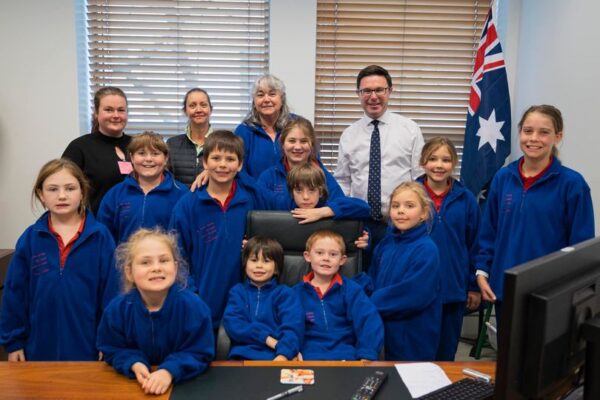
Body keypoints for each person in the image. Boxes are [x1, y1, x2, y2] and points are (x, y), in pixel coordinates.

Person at [476, 105, 594, 327]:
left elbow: (581, 247)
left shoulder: (572, 184)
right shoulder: (503, 178)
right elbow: (488, 233)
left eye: (544, 132)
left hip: (550, 294)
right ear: (520, 133)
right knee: (509, 358)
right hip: (506, 289)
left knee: (544, 360)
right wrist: (482, 272)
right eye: (528, 131)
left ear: (558, 137)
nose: (534, 138)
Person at [0, 159, 118, 361]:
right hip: (37, 348)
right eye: (52, 189)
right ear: (41, 195)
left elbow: (112, 295)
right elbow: (14, 294)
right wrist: (14, 342)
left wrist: (109, 340)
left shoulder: (101, 237)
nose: (62, 196)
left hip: (89, 347)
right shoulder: (30, 238)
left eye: (70, 188)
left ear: (82, 192)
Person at [169, 130, 276, 329]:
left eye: (230, 159)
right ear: (205, 163)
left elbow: (283, 217)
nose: (223, 165)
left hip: (250, 305)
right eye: (216, 158)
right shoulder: (188, 205)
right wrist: (191, 294)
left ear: (240, 164)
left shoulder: (253, 198)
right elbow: (176, 255)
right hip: (203, 302)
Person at [97, 228, 214, 395]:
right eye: (145, 262)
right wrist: (134, 363)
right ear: (129, 272)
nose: (156, 268)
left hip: (185, 385)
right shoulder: (117, 310)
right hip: (134, 386)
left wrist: (169, 371)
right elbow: (111, 348)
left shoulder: (194, 308)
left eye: (164, 260)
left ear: (175, 267)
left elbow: (200, 352)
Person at [334, 65, 424, 263]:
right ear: (358, 93)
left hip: (399, 224)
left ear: (389, 91)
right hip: (360, 225)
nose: (373, 97)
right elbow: (343, 181)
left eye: (379, 90)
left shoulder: (409, 130)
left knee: (393, 275)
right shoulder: (349, 135)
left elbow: (418, 179)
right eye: (366, 91)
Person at [416, 137, 481, 361]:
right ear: (422, 161)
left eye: (445, 159)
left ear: (453, 163)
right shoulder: (409, 196)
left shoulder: (466, 199)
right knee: (418, 353)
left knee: (445, 354)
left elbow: (476, 244)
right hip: (418, 290)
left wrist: (473, 286)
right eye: (432, 158)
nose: (439, 165)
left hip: (453, 290)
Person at [367, 182, 441, 361]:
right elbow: (372, 278)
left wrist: (367, 303)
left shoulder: (426, 249)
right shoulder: (386, 244)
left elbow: (413, 294)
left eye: (409, 206)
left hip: (412, 334)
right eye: (395, 205)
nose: (401, 211)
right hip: (385, 327)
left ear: (423, 213)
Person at [294, 230, 383, 361]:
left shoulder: (352, 290)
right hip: (307, 357)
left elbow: (369, 322)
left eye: (333, 254)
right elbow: (288, 327)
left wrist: (367, 354)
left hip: (345, 357)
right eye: (319, 253)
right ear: (307, 256)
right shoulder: (295, 293)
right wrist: (290, 351)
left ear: (342, 260)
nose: (326, 258)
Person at [97, 132, 188, 244]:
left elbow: (188, 237)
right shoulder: (115, 195)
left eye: (155, 153)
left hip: (167, 260)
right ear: (132, 158)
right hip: (126, 261)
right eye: (141, 153)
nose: (148, 159)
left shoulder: (181, 194)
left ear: (165, 158)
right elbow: (104, 239)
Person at [223, 236, 303, 361]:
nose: (259, 266)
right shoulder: (238, 292)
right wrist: (268, 340)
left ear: (276, 268)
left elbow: (292, 328)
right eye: (254, 260)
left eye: (266, 261)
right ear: (245, 264)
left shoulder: (286, 294)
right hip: (241, 357)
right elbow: (234, 324)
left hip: (275, 356)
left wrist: (283, 354)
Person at [63, 86, 132, 214]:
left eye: (121, 110)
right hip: (97, 225)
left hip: (134, 225)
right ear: (96, 113)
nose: (116, 115)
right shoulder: (79, 147)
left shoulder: (137, 146)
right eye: (109, 110)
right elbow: (65, 190)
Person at [258, 117, 343, 198]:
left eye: (304, 141)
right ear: (282, 144)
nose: (298, 147)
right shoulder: (269, 177)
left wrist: (322, 210)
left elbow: (343, 204)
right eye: (292, 141)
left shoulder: (323, 176)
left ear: (312, 145)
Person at [235, 74, 294, 178]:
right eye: (260, 95)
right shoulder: (243, 131)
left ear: (282, 99)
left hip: (294, 192)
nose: (266, 100)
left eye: (272, 94)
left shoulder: (296, 125)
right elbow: (238, 172)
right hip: (254, 193)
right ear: (254, 102)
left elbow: (314, 165)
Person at [167, 88, 214, 187]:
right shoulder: (171, 144)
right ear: (185, 111)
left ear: (211, 109)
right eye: (192, 106)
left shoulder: (222, 144)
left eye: (203, 105)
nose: (198, 110)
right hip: (179, 201)